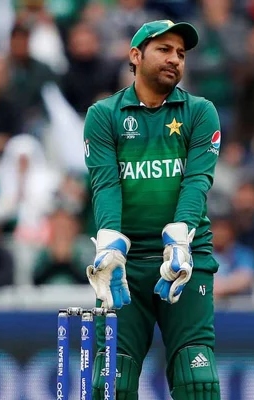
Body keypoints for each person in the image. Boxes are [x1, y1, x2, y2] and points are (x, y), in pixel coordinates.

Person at [83, 20, 222, 399]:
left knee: (199, 381)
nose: (175, 59)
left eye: (181, 53)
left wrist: (180, 236)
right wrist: (109, 245)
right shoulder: (103, 115)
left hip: (186, 257)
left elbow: (197, 181)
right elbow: (106, 184)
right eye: (164, 49)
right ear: (135, 56)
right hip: (124, 266)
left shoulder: (200, 112)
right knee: (110, 383)